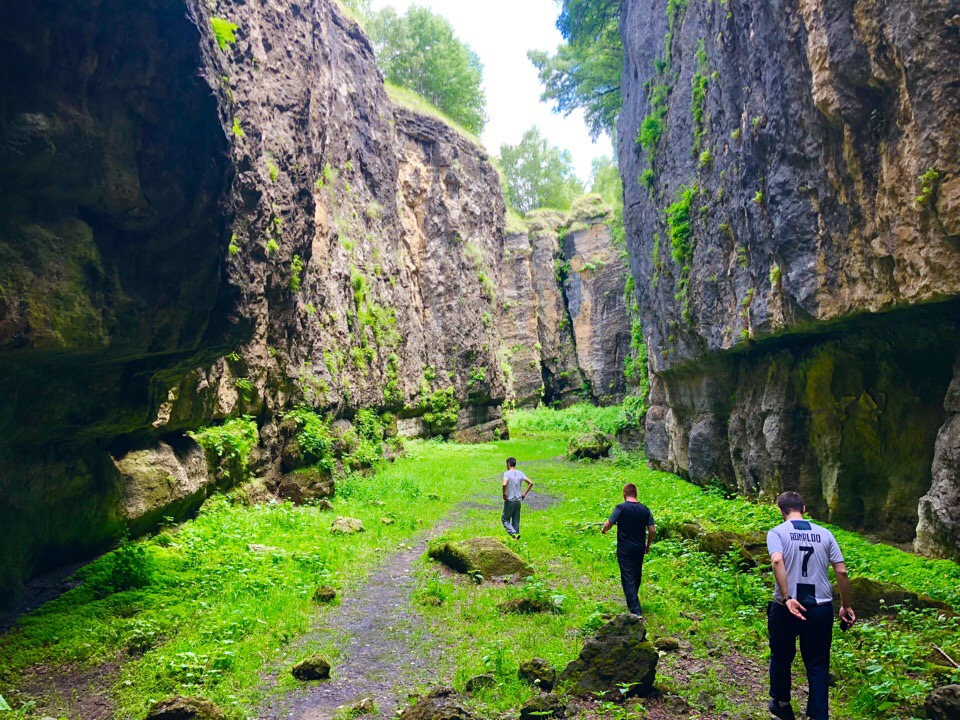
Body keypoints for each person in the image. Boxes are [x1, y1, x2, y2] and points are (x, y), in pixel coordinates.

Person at [766, 491, 856, 720]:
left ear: (780, 510)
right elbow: (841, 571)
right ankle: (818, 716)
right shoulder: (825, 534)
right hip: (820, 608)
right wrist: (846, 606)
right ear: (804, 508)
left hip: (786, 607)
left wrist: (787, 599)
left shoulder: (777, 532)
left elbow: (777, 560)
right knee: (817, 664)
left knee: (781, 655)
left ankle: (782, 703)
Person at [602, 483, 655, 616]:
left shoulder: (621, 508)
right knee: (636, 575)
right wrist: (647, 545)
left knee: (627, 577)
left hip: (625, 548)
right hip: (639, 547)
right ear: (636, 494)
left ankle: (636, 611)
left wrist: (604, 530)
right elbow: (652, 530)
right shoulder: (645, 509)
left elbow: (609, 523)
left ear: (624, 494)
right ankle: (633, 601)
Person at [502, 457, 533, 539]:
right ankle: (516, 539)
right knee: (516, 521)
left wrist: (504, 494)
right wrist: (524, 494)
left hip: (510, 500)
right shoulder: (520, 473)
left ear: (508, 464)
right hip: (518, 501)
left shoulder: (507, 473)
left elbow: (504, 484)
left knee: (505, 519)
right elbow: (530, 483)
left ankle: (514, 534)